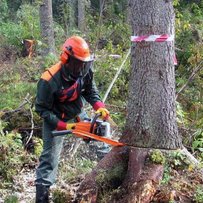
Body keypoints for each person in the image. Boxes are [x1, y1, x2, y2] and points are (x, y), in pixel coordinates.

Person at [35, 36, 109, 203]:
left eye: (84, 63)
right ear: (66, 59)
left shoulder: (85, 70)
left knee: (101, 141)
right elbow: (42, 110)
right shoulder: (49, 80)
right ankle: (42, 198)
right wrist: (63, 125)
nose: (82, 67)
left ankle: (112, 176)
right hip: (55, 120)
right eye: (78, 63)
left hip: (77, 113)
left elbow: (90, 90)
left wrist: (99, 106)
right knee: (49, 160)